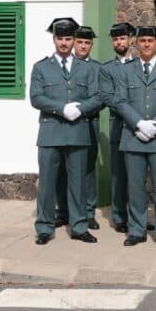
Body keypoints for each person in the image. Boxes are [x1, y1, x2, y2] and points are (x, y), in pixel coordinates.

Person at [30, 17, 101, 245]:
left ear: (74, 40)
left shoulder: (88, 68)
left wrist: (79, 109)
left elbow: (98, 96)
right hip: (51, 134)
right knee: (47, 184)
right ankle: (44, 227)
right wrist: (61, 109)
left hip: (79, 132)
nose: (64, 43)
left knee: (78, 183)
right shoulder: (41, 67)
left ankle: (79, 226)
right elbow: (36, 97)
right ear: (54, 39)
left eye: (68, 38)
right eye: (60, 38)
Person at [114, 25, 156, 249]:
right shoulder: (126, 70)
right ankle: (137, 230)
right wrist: (139, 123)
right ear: (137, 44)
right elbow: (120, 101)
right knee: (135, 188)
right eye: (142, 41)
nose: (147, 44)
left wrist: (155, 125)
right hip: (133, 137)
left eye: (151, 40)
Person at [54, 26, 103, 230]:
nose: (83, 46)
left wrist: (82, 109)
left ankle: (88, 212)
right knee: (62, 169)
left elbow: (102, 96)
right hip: (63, 122)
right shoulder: (63, 65)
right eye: (80, 42)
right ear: (74, 42)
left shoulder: (98, 68)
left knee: (88, 169)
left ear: (91, 45)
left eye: (87, 43)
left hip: (89, 122)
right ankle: (63, 211)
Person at [99, 22, 134, 233]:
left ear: (130, 39)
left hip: (140, 129)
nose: (119, 42)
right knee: (119, 176)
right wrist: (133, 112)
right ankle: (120, 217)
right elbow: (108, 97)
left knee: (138, 177)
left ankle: (137, 217)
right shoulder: (107, 69)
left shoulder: (141, 64)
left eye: (122, 38)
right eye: (115, 39)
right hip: (119, 127)